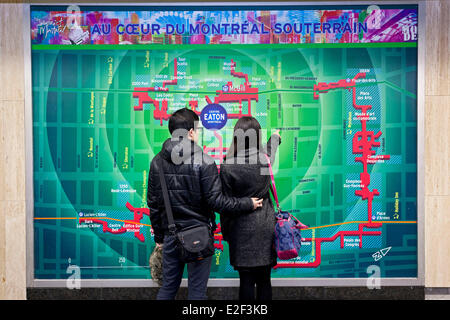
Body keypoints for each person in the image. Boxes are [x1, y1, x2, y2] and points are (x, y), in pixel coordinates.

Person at [147, 108, 263, 300]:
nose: (199, 134)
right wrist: (246, 203)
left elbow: (153, 203)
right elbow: (216, 202)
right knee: (197, 293)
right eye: (198, 129)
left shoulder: (156, 162)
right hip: (198, 237)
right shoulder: (205, 162)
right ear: (191, 132)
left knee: (167, 289)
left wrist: (160, 237)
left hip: (170, 235)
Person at [219, 116, 281, 301]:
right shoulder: (264, 161)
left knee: (245, 281)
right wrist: (276, 137)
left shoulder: (228, 166)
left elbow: (226, 204)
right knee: (265, 280)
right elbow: (271, 149)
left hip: (240, 229)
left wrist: (227, 234)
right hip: (266, 226)